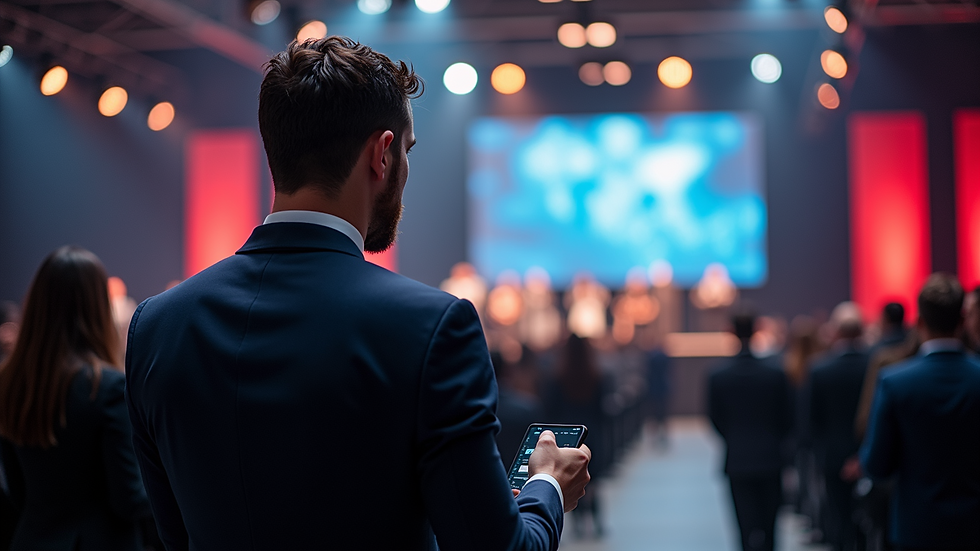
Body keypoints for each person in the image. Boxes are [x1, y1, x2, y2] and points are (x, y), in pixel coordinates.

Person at [125, 37, 590, 550]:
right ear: (382, 154)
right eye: (407, 151)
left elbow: (174, 539)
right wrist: (545, 485)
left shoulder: (156, 327)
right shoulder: (432, 328)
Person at [0, 246, 150, 550]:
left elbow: (15, 490)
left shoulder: (10, 382)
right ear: (97, 307)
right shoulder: (106, 388)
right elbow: (128, 501)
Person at [861, 274, 980, 551]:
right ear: (963, 321)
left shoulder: (894, 382)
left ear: (919, 323)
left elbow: (877, 466)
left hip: (917, 528)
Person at [708, 306, 792, 551]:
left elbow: (715, 419)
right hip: (771, 457)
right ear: (757, 331)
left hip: (738, 459)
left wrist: (734, 439)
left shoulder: (718, 376)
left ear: (731, 332)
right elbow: (787, 417)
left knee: (744, 530)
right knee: (771, 530)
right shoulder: (776, 373)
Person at [808, 302, 869, 551]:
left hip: (832, 455)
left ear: (836, 332)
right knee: (868, 522)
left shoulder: (820, 369)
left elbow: (812, 419)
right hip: (869, 455)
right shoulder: (876, 366)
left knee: (838, 517)